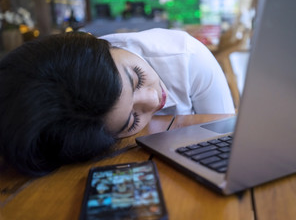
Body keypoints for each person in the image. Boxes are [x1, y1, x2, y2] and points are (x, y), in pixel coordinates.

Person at [0, 28, 234, 176]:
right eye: (132, 120)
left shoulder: (188, 58)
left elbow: (227, 139)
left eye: (138, 77)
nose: (154, 99)